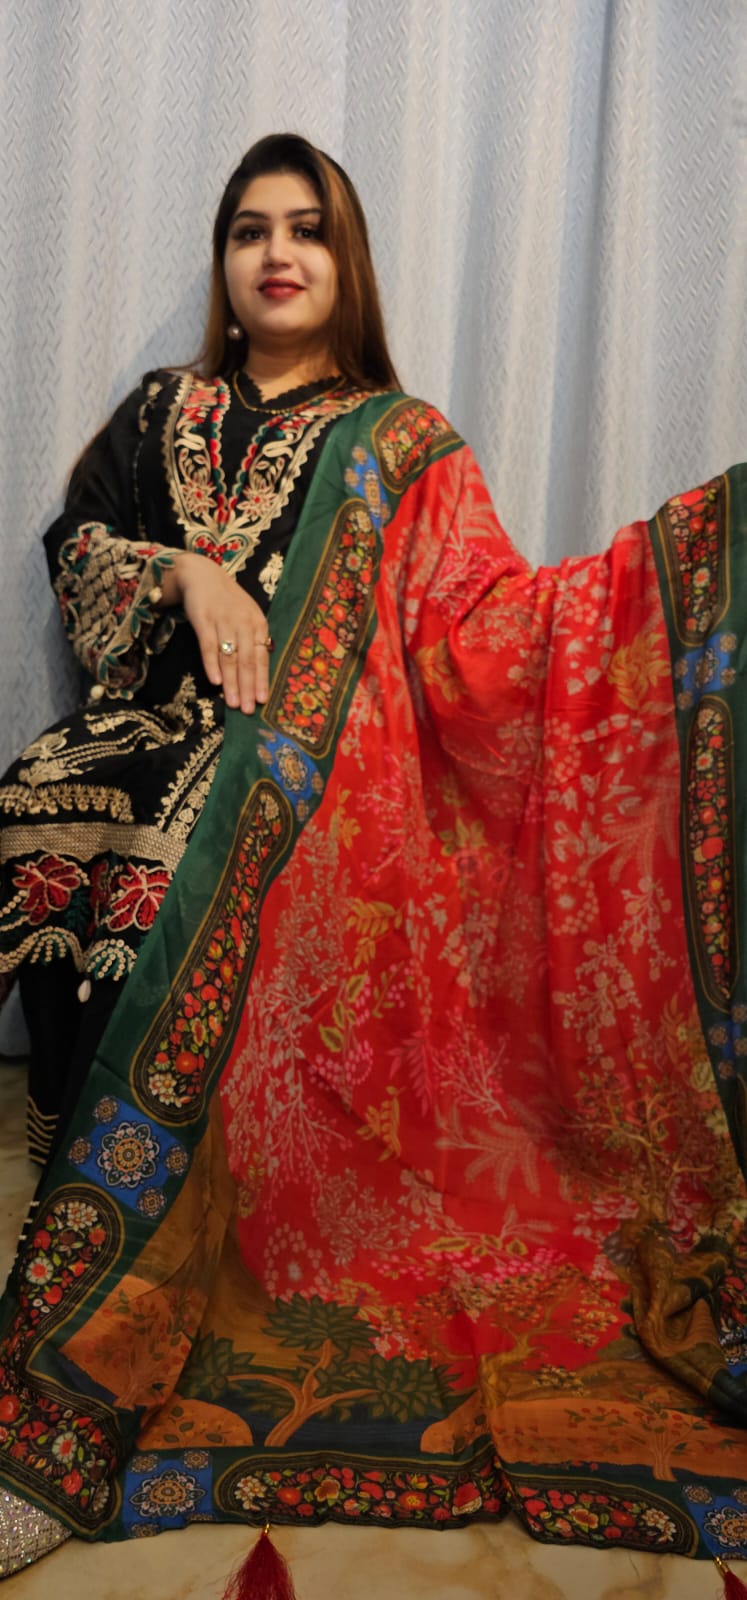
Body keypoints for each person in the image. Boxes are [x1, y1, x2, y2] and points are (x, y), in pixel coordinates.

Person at [1, 133, 747, 1591]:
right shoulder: (160, 414)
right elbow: (77, 548)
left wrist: (687, 560)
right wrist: (187, 574)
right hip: (148, 730)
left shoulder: (404, 443)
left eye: (308, 230)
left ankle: (99, 1303)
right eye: (249, 230)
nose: (277, 254)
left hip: (320, 788)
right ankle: (71, 1171)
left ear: (347, 263)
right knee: (37, 796)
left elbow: (486, 636)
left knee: (180, 860)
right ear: (224, 262)